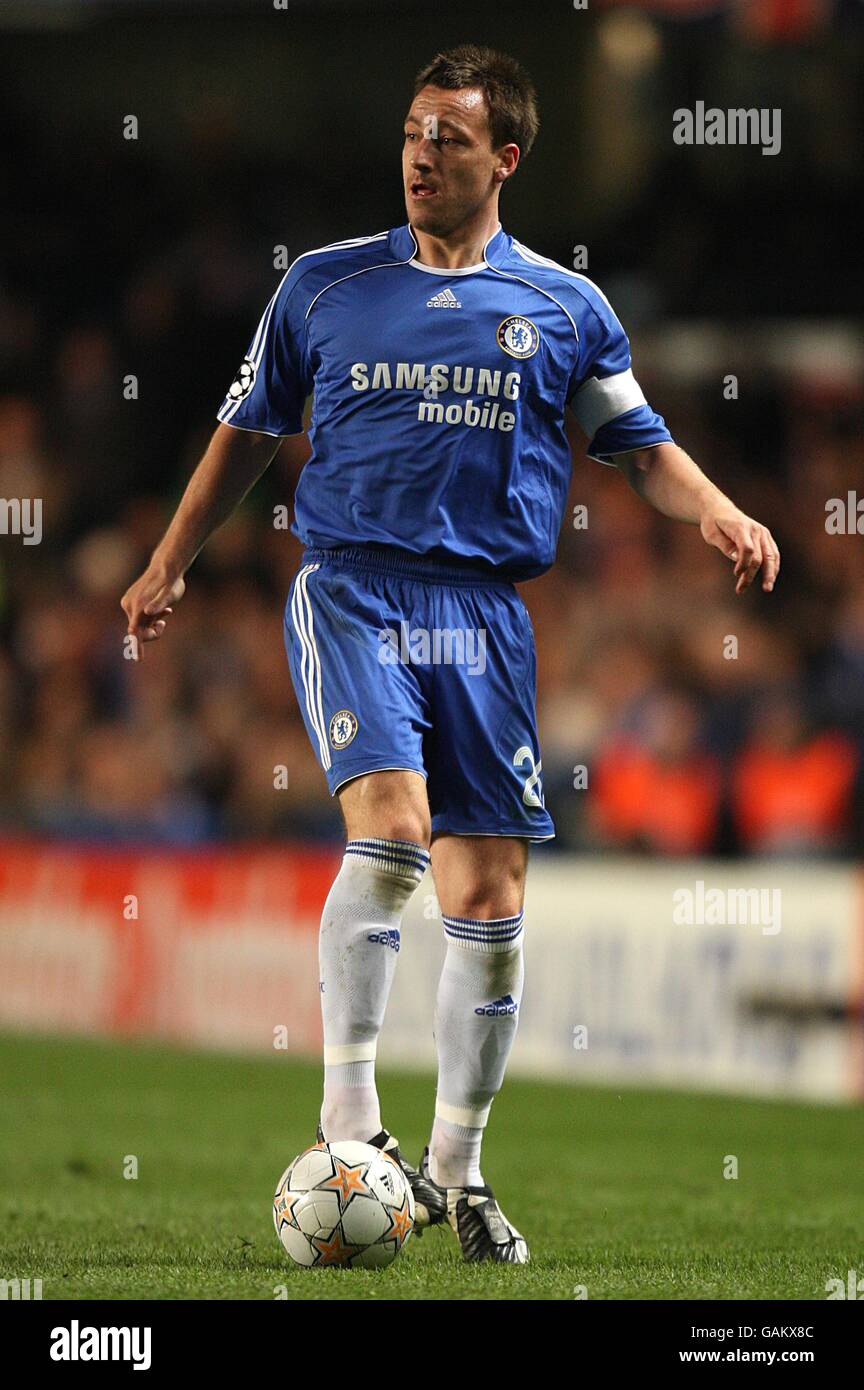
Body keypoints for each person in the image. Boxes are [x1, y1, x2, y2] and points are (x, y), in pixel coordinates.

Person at [121, 45, 780, 1263]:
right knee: (390, 828)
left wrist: (724, 510)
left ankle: (458, 1175)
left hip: (484, 617)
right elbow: (246, 432)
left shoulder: (564, 310)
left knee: (491, 899)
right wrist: (169, 563)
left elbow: (639, 449)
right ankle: (350, 1130)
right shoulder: (322, 286)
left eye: (452, 138)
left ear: (506, 157)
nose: (424, 154)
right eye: (415, 133)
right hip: (356, 588)